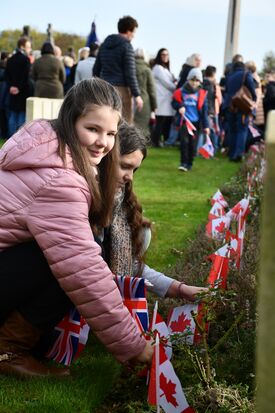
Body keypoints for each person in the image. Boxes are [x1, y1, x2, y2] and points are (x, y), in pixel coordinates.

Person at [0, 78, 152, 378]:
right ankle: (8, 349)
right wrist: (133, 345)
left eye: (110, 133)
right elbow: (82, 269)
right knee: (67, 264)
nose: (103, 142)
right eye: (92, 129)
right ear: (71, 121)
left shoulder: (45, 146)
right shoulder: (60, 180)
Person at [103, 122, 207, 300]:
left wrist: (181, 289)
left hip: (101, 304)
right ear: (105, 157)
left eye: (134, 169)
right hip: (69, 310)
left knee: (143, 231)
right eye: (124, 166)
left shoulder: (121, 201)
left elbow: (130, 264)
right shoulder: (83, 203)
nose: (130, 177)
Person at [93, 15, 143, 122]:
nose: (134, 36)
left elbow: (96, 69)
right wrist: (137, 95)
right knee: (124, 125)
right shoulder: (127, 46)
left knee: (106, 123)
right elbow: (130, 73)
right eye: (134, 32)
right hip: (122, 91)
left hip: (104, 89)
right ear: (128, 31)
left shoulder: (104, 45)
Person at [171, 68, 209, 172]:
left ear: (200, 82)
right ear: (188, 79)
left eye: (197, 80)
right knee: (184, 142)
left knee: (192, 144)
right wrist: (179, 106)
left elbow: (204, 111)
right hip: (184, 122)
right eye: (192, 80)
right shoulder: (181, 91)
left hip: (196, 123)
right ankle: (183, 163)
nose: (194, 83)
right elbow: (173, 103)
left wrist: (206, 126)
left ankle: (189, 163)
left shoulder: (202, 94)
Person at [222, 54, 256, 161]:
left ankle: (231, 154)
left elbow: (227, 91)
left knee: (232, 130)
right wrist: (253, 100)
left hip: (230, 106)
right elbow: (252, 89)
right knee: (242, 130)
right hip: (242, 106)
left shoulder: (229, 76)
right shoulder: (246, 74)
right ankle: (238, 154)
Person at [5, 36, 33, 137]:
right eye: (28, 47)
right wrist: (19, 88)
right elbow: (25, 76)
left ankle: (11, 137)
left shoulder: (10, 59)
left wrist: (11, 86)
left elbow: (7, 75)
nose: (30, 49)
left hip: (12, 91)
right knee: (21, 115)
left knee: (13, 115)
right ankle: (19, 137)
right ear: (22, 46)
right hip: (22, 91)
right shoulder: (25, 59)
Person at [151, 48, 176, 147]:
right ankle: (156, 142)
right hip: (161, 99)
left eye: (167, 55)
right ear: (159, 56)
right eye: (163, 54)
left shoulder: (166, 69)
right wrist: (177, 88)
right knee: (160, 122)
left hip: (166, 99)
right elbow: (167, 83)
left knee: (165, 122)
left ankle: (163, 141)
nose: (165, 56)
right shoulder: (157, 68)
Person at [133, 48, 157, 138]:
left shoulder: (128, 67)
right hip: (144, 100)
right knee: (142, 128)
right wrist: (154, 106)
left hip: (129, 98)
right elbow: (152, 89)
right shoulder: (147, 70)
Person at [201, 65, 222, 153]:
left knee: (208, 129)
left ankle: (209, 148)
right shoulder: (211, 85)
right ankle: (212, 148)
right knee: (213, 130)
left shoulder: (203, 84)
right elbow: (211, 99)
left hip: (209, 109)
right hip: (212, 109)